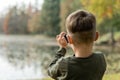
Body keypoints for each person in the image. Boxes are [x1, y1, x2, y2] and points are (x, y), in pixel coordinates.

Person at [47, 10, 106, 80]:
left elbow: (50, 70)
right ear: (96, 36)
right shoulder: (101, 59)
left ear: (69, 39)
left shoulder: (65, 64)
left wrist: (62, 48)